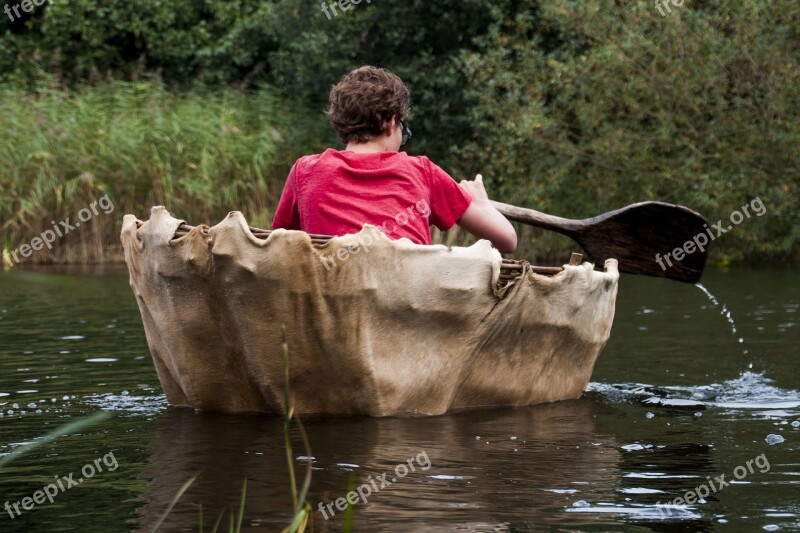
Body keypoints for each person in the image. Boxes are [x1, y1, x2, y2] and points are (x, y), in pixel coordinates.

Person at [271, 65, 517, 254]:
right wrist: (482, 203)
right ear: (391, 122)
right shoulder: (422, 171)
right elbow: (507, 240)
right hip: (406, 312)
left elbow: (279, 244)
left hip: (332, 310)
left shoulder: (305, 170)